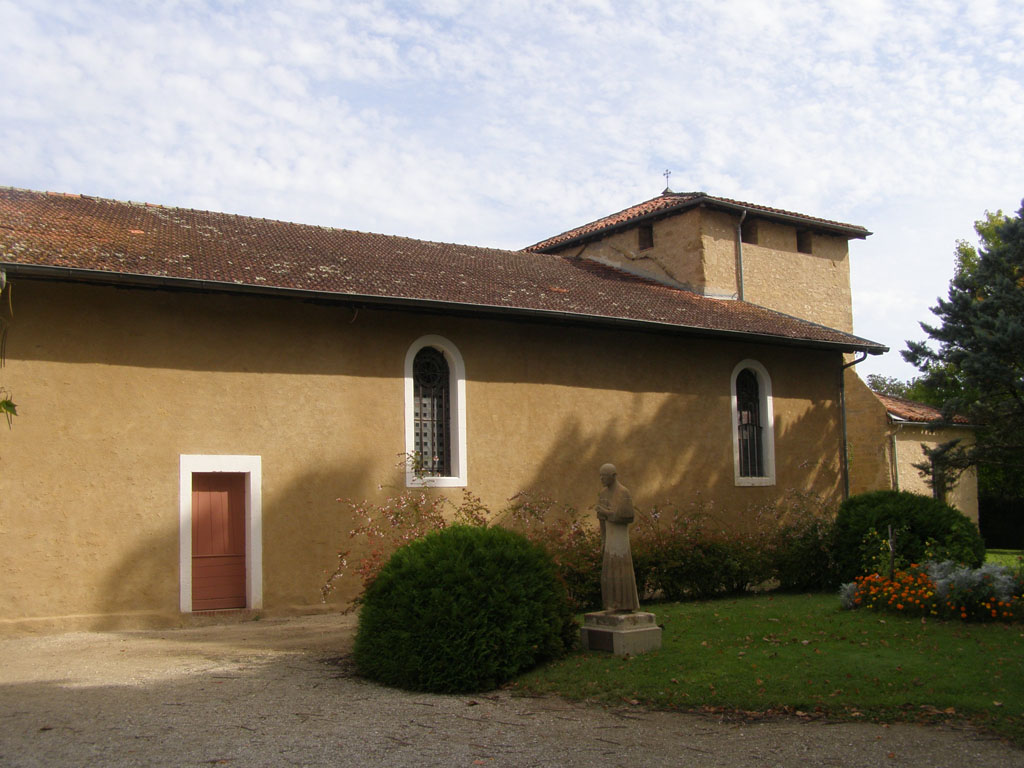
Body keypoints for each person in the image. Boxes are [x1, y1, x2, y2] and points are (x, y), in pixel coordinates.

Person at [595, 463, 640, 612]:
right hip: (609, 537)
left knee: (621, 568)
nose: (601, 479)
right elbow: (601, 519)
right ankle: (611, 603)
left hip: (620, 539)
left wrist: (606, 513)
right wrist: (603, 539)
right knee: (609, 570)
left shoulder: (623, 492)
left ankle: (625, 603)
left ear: (613, 476)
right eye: (600, 476)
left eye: (604, 476)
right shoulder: (603, 493)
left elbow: (628, 517)